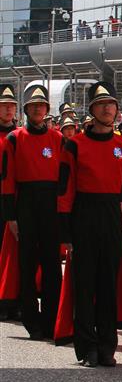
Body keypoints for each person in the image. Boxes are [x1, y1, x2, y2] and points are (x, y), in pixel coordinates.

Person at [58, 81, 122, 367]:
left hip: (111, 217)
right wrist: (65, 230)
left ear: (116, 110)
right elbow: (65, 189)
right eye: (101, 105)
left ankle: (107, 346)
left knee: (108, 285)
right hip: (83, 214)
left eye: (111, 104)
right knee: (85, 285)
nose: (107, 108)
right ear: (92, 111)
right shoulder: (74, 144)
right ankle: (86, 348)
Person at [1, 85, 64, 340]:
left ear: (47, 111)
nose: (37, 109)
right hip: (26, 202)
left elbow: (64, 178)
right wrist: (11, 216)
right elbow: (7, 179)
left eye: (41, 106)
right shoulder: (15, 138)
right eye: (32, 106)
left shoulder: (58, 139)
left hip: (51, 204)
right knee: (26, 264)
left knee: (51, 266)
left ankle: (52, 320)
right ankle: (31, 319)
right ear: (26, 111)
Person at [0, 84, 18, 321]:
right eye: (4, 106)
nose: (8, 111)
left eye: (11, 106)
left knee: (12, 252)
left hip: (13, 200)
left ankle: (11, 298)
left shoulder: (18, 136)